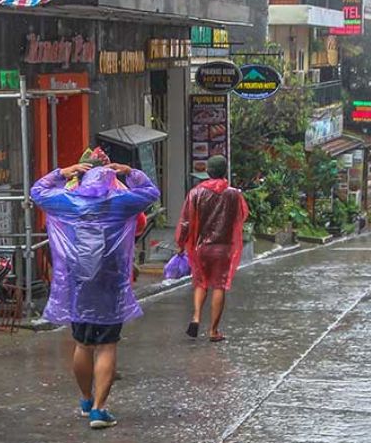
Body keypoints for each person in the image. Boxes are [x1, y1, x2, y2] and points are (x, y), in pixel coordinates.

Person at [31, 153, 160, 429]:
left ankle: (86, 399)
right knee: (107, 345)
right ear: (109, 182)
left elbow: (37, 191)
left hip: (78, 281)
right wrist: (130, 172)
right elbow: (151, 192)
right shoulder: (120, 202)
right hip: (110, 282)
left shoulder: (67, 202)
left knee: (83, 343)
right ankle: (100, 410)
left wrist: (63, 171)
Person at [176, 155, 249, 342]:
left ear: (207, 171)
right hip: (223, 248)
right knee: (219, 285)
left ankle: (196, 317)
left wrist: (180, 243)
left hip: (200, 247)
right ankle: (213, 331)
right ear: (225, 171)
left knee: (200, 283)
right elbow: (242, 215)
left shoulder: (195, 193)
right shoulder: (233, 194)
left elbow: (185, 222)